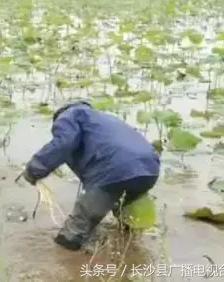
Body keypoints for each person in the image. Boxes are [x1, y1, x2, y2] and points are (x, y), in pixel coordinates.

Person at [22, 100, 160, 251]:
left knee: (73, 232)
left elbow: (63, 143)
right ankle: (130, 254)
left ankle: (68, 263)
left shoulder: (70, 115)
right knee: (126, 217)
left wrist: (34, 169)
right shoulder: (104, 119)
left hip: (114, 169)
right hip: (150, 168)